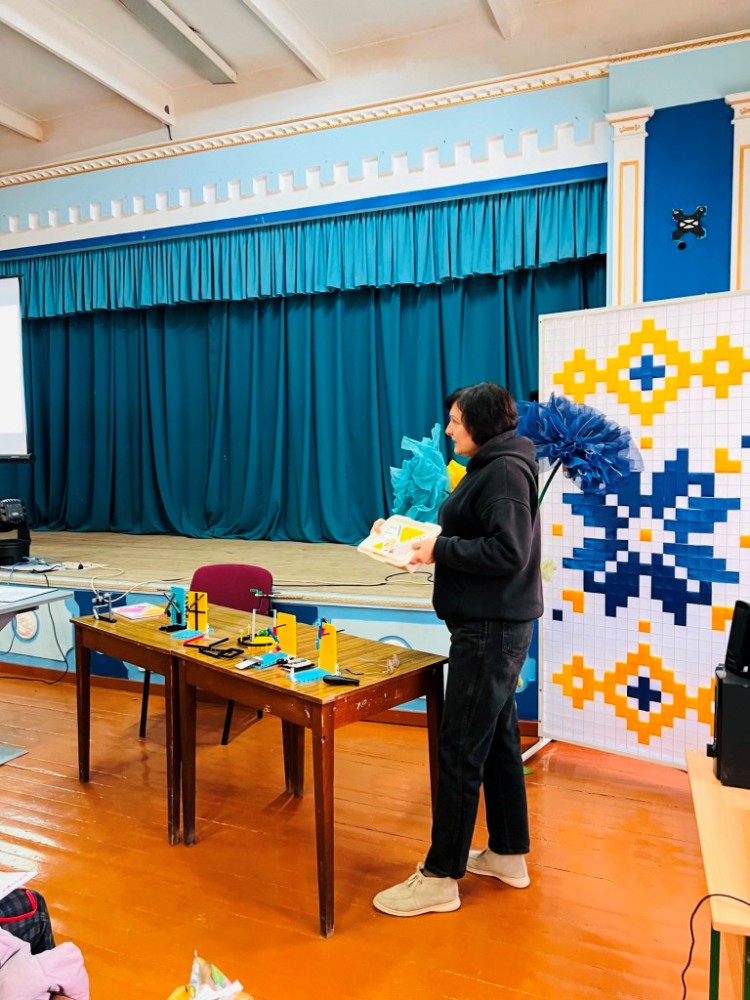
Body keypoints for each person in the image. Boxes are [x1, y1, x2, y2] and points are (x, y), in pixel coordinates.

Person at [373, 381, 543, 917]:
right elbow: (472, 534)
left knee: (460, 748)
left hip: (490, 631)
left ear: (481, 423)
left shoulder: (503, 471)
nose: (448, 429)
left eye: (455, 420)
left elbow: (507, 550)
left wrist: (439, 548)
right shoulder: (493, 465)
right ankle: (508, 854)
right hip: (491, 626)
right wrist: (406, 536)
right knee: (495, 744)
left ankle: (440, 876)